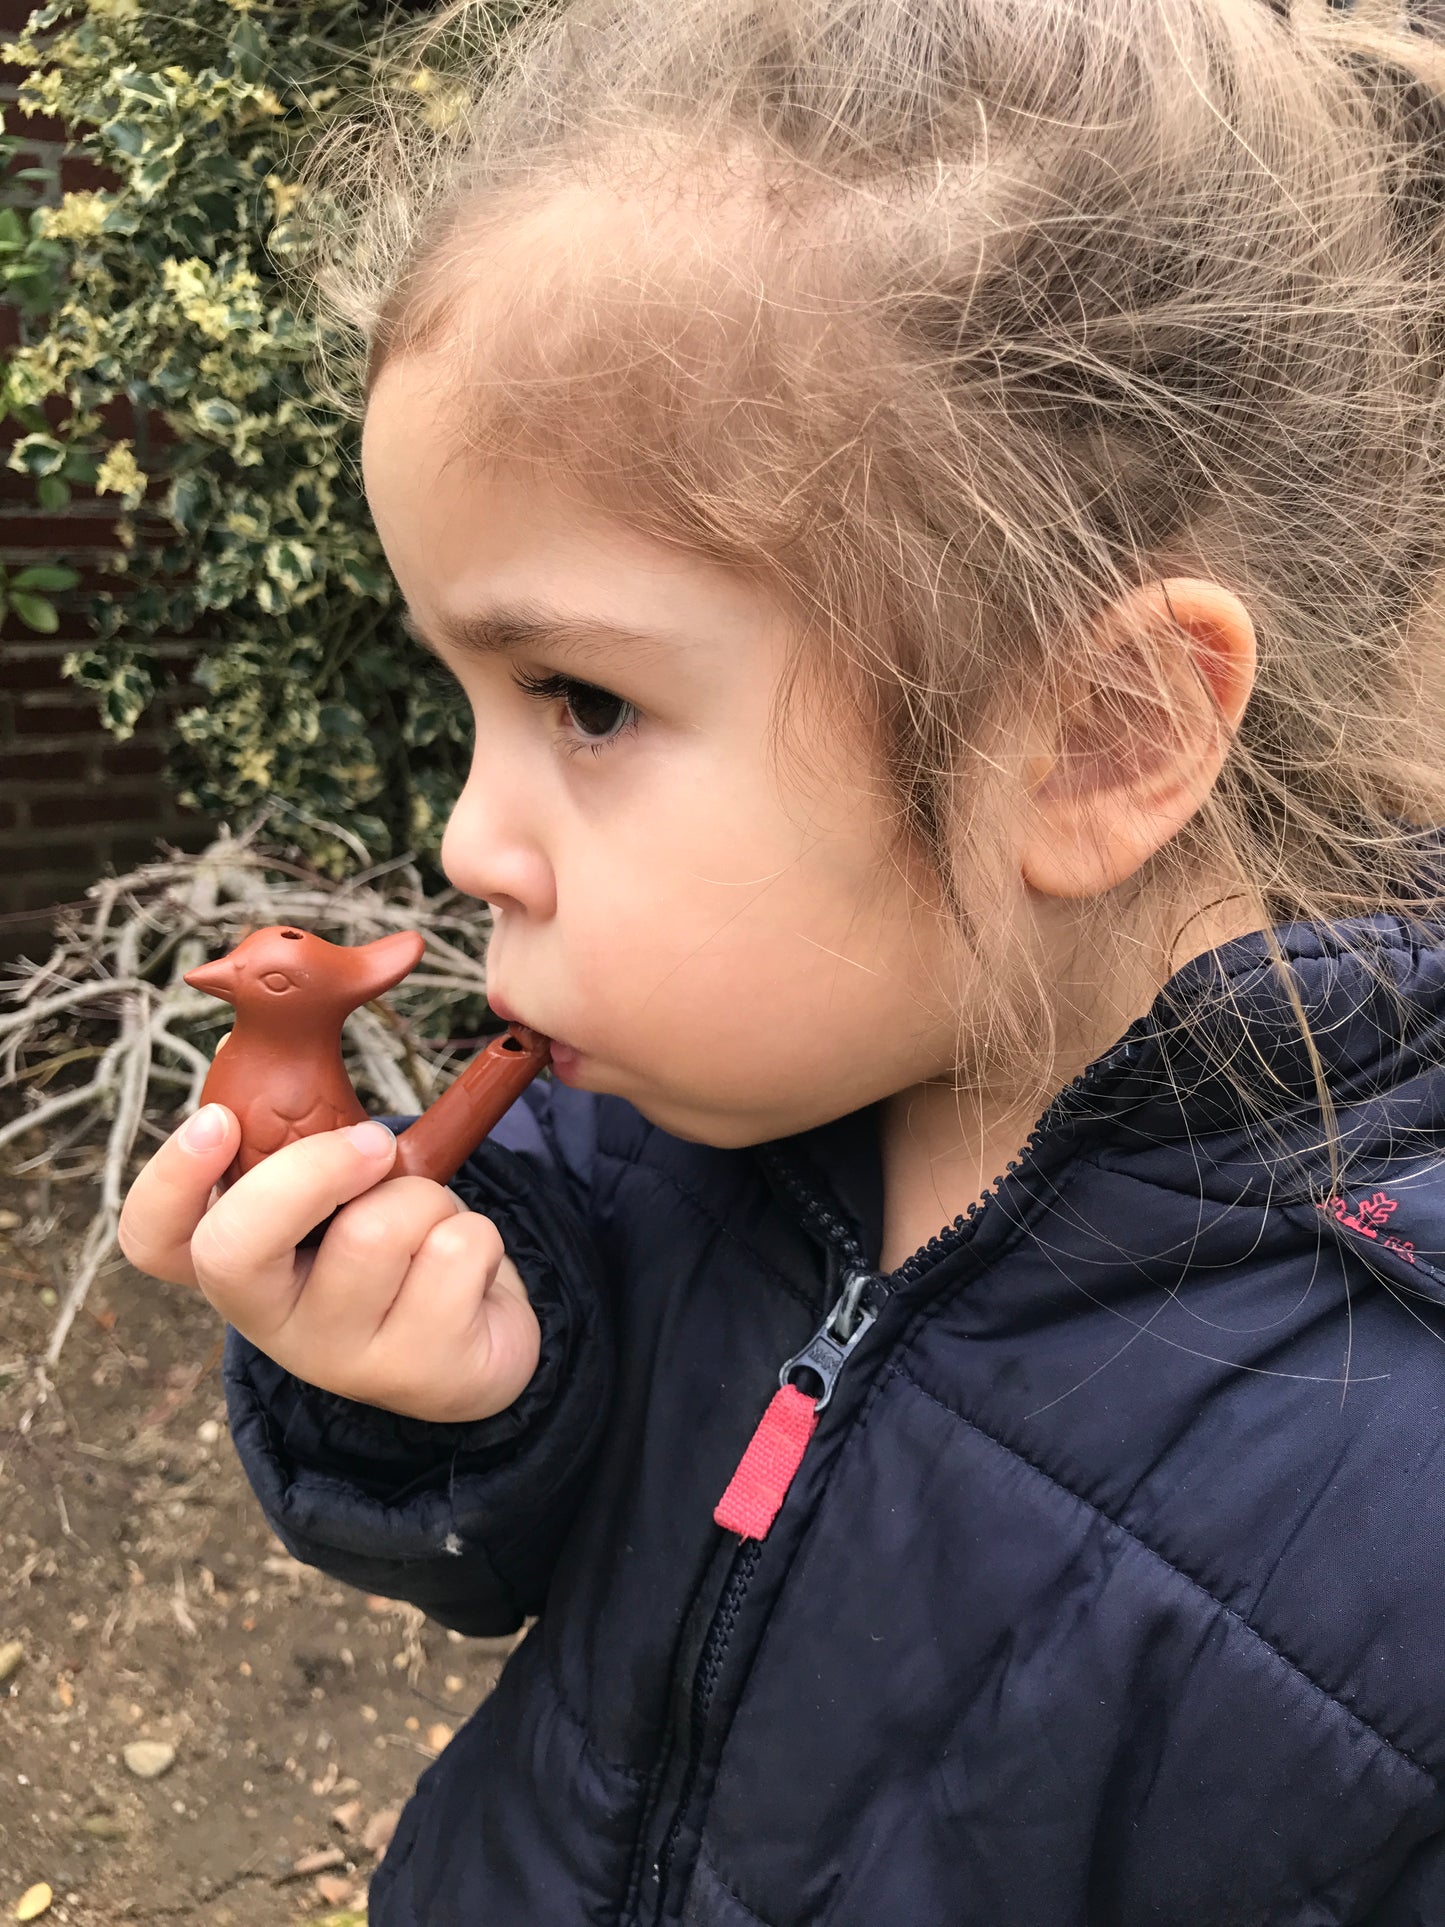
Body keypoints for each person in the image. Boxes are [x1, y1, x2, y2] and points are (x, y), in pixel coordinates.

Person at [118, 0, 1445, 1918]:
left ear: (1098, 735)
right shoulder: (666, 1127)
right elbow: (518, 1551)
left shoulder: (1394, 1497)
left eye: (579, 697)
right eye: (472, 699)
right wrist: (434, 1390)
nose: (470, 841)